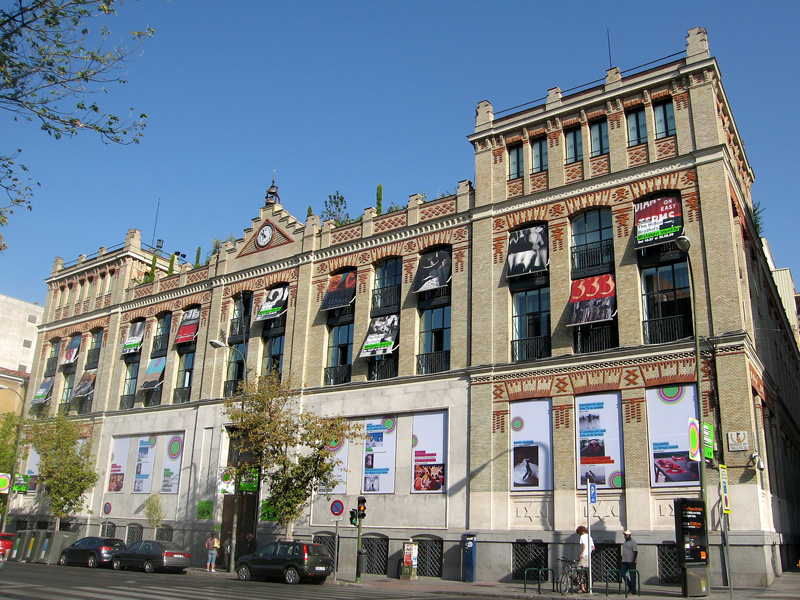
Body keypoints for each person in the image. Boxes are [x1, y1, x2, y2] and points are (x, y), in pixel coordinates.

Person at [576, 525, 595, 593]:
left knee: (579, 570)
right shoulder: (589, 537)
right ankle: (588, 587)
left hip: (584, 556)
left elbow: (584, 545)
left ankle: (582, 587)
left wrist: (581, 553)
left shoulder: (582, 536)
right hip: (589, 556)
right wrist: (589, 551)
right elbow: (593, 548)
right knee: (587, 571)